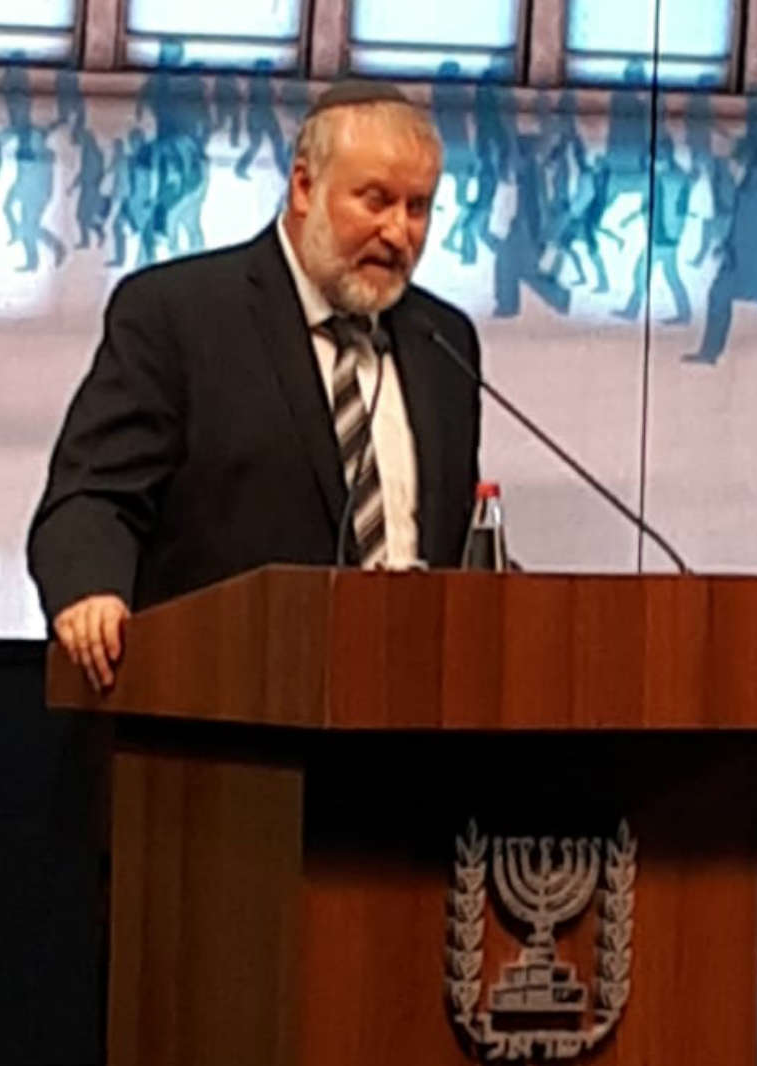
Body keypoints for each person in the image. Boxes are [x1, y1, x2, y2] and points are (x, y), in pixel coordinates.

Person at [28, 81, 482, 691]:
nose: (399, 233)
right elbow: (94, 495)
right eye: (375, 201)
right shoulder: (180, 315)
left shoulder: (443, 341)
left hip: (408, 708)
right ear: (304, 187)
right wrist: (91, 592)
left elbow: (451, 540)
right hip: (222, 703)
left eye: (418, 207)